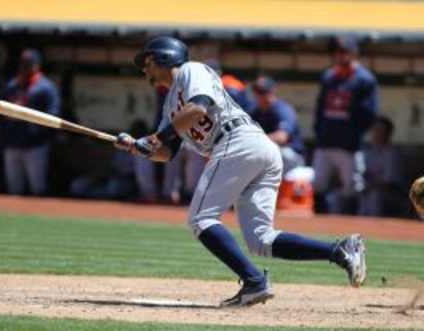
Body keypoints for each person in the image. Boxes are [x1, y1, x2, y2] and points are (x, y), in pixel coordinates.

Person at [115, 36, 366, 307]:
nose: (145, 70)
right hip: (251, 149)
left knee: (201, 218)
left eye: (148, 62)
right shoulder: (169, 108)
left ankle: (254, 281)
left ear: (165, 57)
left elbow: (199, 106)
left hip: (237, 141)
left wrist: (156, 138)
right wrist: (139, 148)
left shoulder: (191, 71)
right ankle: (339, 251)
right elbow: (168, 153)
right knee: (261, 240)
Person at [312, 36, 379, 214]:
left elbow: (369, 114)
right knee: (318, 183)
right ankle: (319, 226)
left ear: (354, 53)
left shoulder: (365, 79)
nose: (340, 55)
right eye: (337, 52)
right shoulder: (329, 77)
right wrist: (320, 132)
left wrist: (353, 134)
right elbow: (319, 109)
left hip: (349, 145)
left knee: (352, 186)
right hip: (325, 142)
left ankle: (351, 227)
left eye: (344, 51)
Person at [0, 49, 60, 195]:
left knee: (37, 188)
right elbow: (0, 112)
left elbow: (53, 114)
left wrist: (27, 117)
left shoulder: (45, 88)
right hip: (12, 142)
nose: (25, 67)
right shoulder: (12, 86)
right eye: (23, 64)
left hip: (35, 145)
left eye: (28, 64)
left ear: (37, 65)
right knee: (14, 188)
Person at [250, 76, 305, 174]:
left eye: (264, 92)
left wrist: (255, 140)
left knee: (273, 153)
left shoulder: (282, 109)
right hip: (268, 152)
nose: (261, 96)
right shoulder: (255, 112)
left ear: (272, 91)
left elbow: (281, 137)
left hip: (292, 156)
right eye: (258, 92)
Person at [358, 116, 405, 217]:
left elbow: (388, 183)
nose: (376, 133)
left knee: (374, 196)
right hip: (366, 189)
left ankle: (374, 229)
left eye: (380, 130)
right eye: (375, 130)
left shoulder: (392, 154)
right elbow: (359, 174)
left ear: (388, 134)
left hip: (390, 193)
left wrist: (368, 187)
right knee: (336, 196)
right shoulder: (366, 152)